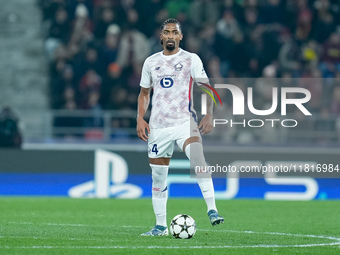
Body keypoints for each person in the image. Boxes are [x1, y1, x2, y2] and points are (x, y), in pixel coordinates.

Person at [136, 18, 224, 237]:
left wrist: (209, 114)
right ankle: (160, 226)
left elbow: (208, 88)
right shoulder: (150, 62)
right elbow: (145, 93)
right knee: (158, 177)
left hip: (185, 122)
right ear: (161, 36)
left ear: (180, 37)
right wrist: (140, 118)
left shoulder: (190, 59)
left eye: (175, 32)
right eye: (167, 32)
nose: (170, 35)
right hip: (158, 128)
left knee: (198, 159)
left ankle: (212, 209)